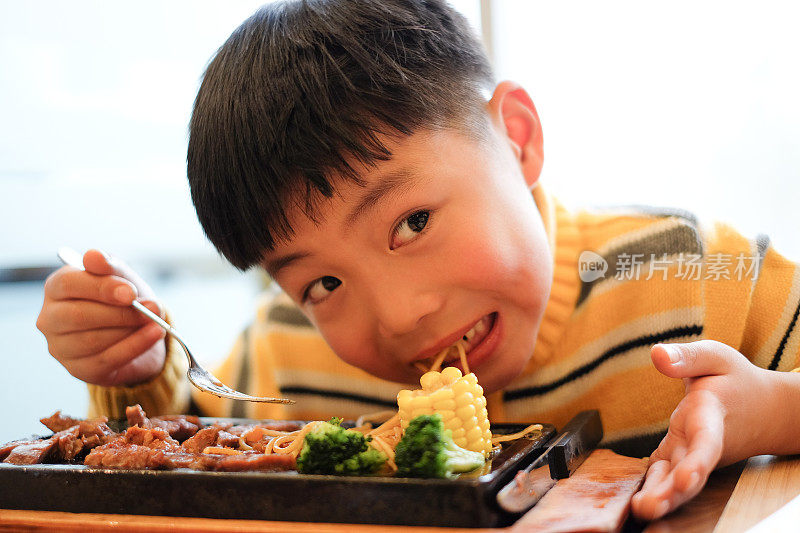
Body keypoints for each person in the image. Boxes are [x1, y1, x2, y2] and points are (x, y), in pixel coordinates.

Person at [35, 0, 800, 522]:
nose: (401, 316)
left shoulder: (701, 276)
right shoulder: (284, 350)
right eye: (323, 283)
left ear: (518, 139)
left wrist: (764, 409)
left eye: (413, 221)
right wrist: (135, 365)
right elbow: (194, 451)